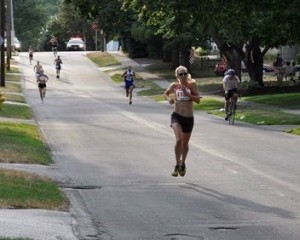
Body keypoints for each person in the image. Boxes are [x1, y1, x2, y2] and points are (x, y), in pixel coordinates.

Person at [164, 65, 201, 177]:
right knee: (179, 140)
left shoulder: (192, 85)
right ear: (177, 76)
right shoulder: (174, 86)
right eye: (181, 74)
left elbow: (198, 100)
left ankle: (183, 163)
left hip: (189, 118)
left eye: (185, 73)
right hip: (177, 116)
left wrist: (188, 94)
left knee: (185, 143)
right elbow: (166, 93)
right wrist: (169, 99)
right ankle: (176, 164)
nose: (184, 75)